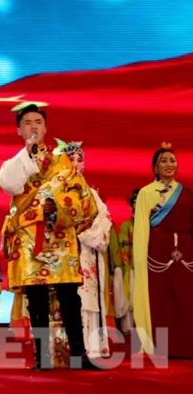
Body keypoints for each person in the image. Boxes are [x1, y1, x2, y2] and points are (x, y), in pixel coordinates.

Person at [0, 104, 100, 370]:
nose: (33, 127)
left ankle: (78, 354)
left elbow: (81, 196)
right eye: (27, 123)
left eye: (38, 122)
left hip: (60, 235)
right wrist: (28, 155)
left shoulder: (63, 162)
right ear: (19, 131)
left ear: (45, 127)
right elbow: (9, 185)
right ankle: (42, 356)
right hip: (30, 239)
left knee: (69, 296)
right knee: (37, 298)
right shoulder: (15, 163)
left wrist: (60, 206)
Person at [133, 142, 193, 358]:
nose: (169, 164)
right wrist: (140, 257)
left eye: (172, 160)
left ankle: (187, 345)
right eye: (163, 161)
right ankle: (163, 346)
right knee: (160, 298)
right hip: (157, 252)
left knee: (186, 296)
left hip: (186, 253)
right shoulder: (146, 193)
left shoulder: (187, 193)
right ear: (155, 167)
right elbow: (141, 227)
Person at [61, 142, 113, 359]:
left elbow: (105, 219)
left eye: (79, 159)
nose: (75, 164)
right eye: (70, 160)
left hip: (86, 254)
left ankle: (90, 348)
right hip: (61, 256)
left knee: (87, 299)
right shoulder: (53, 191)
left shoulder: (91, 194)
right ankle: (62, 350)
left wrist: (84, 233)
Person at [116, 189, 140, 334]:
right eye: (135, 202)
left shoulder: (153, 224)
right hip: (131, 265)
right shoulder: (126, 226)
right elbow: (123, 248)